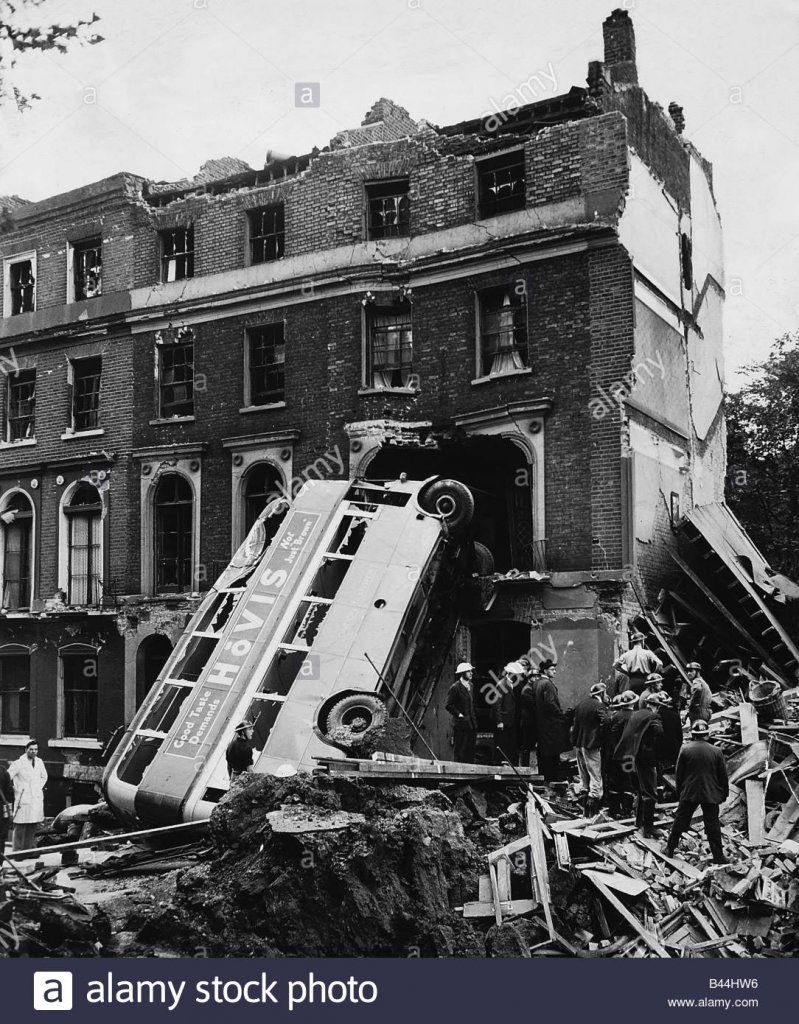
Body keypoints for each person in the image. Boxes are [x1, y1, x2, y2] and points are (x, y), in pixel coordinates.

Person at [665, 720, 728, 864]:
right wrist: (724, 793)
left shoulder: (685, 749)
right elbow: (723, 775)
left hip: (690, 792)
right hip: (710, 793)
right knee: (712, 825)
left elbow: (679, 773)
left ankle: (670, 848)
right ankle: (719, 856)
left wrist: (679, 791)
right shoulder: (716, 751)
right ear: (706, 734)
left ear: (693, 734)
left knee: (680, 820)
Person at [614, 692, 664, 837]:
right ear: (657, 706)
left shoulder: (636, 714)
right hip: (643, 758)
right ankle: (648, 829)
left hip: (628, 757)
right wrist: (649, 744)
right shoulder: (654, 716)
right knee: (650, 793)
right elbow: (658, 730)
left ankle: (638, 821)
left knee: (640, 790)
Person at [570, 681, 609, 815]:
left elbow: (572, 717)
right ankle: (593, 811)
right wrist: (601, 737)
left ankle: (584, 810)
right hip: (592, 745)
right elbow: (606, 721)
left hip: (579, 744)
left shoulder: (582, 703)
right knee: (596, 777)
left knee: (584, 777)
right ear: (601, 693)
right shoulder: (599, 705)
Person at [8, 740, 48, 854]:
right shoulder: (18, 763)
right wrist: (17, 789)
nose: (34, 752)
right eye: (31, 749)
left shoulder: (39, 762)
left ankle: (28, 850)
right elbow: (7, 777)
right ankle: (17, 852)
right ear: (26, 750)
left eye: (36, 749)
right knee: (20, 825)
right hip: (23, 797)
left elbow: (44, 777)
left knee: (32, 824)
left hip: (35, 797)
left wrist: (37, 787)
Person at [605, 691, 637, 817]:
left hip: (614, 756)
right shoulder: (635, 717)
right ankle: (627, 811)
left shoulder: (615, 716)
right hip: (628, 757)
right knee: (628, 783)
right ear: (633, 703)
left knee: (614, 782)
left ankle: (614, 810)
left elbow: (610, 735)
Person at [534, 660, 566, 783]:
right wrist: (561, 715)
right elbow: (550, 703)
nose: (555, 672)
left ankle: (544, 778)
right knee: (552, 754)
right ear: (545, 670)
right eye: (552, 669)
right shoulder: (547, 684)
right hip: (550, 724)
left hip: (541, 723)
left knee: (544, 753)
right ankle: (552, 779)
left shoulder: (537, 683)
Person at [445, 662, 477, 763]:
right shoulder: (455, 687)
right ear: (462, 673)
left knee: (470, 751)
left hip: (471, 724)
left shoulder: (471, 686)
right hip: (461, 725)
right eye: (468, 671)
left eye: (471, 671)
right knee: (460, 751)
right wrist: (459, 714)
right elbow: (448, 705)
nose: (471, 673)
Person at [493, 661, 523, 765]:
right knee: (503, 745)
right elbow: (497, 704)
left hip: (511, 721)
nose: (519, 676)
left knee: (511, 745)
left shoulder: (513, 684)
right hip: (504, 722)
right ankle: (502, 765)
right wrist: (499, 721)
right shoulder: (502, 684)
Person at [518, 668, 541, 768]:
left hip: (532, 721)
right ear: (529, 678)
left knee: (530, 745)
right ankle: (524, 767)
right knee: (526, 746)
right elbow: (533, 706)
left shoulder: (532, 688)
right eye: (533, 677)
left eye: (537, 676)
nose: (536, 678)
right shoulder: (527, 689)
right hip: (528, 722)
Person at [0, 760, 14, 852]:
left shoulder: (3, 771)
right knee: (1, 835)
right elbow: (8, 791)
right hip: (2, 807)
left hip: (3, 806)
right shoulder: (3, 770)